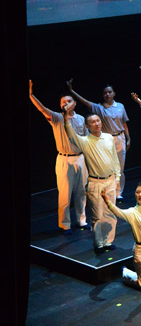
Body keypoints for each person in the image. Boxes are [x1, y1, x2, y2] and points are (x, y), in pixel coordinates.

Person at [30, 80, 87, 232]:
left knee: (81, 191)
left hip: (80, 158)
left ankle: (81, 220)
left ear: (74, 103)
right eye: (63, 102)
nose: (66, 103)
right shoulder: (57, 118)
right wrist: (31, 95)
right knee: (65, 193)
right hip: (64, 159)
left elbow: (86, 141)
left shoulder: (81, 119)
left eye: (69, 101)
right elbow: (42, 109)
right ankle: (65, 224)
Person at [62, 105, 119, 250]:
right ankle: (99, 243)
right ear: (87, 126)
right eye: (93, 122)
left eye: (98, 120)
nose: (97, 123)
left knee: (111, 213)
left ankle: (108, 241)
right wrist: (66, 117)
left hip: (110, 180)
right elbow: (71, 134)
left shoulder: (108, 138)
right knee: (98, 215)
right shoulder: (85, 141)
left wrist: (117, 178)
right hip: (96, 182)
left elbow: (114, 159)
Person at [65, 79, 129, 200]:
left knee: (120, 167)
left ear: (114, 93)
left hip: (120, 138)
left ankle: (118, 192)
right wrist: (72, 91)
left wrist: (128, 138)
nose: (108, 94)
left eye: (110, 92)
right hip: (106, 139)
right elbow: (84, 102)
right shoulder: (99, 108)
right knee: (106, 166)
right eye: (105, 93)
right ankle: (107, 191)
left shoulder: (120, 106)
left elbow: (124, 123)